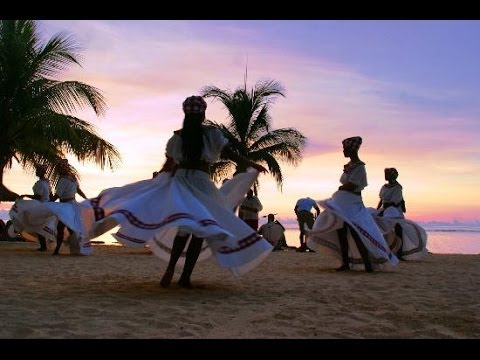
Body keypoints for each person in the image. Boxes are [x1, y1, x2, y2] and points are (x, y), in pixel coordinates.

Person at [83, 95, 272, 288]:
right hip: (201, 183)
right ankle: (185, 277)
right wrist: (250, 164)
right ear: (203, 114)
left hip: (180, 182)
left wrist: (155, 183)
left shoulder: (177, 138)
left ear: (185, 113)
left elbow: (169, 165)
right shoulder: (211, 134)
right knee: (200, 230)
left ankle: (170, 268)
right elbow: (231, 154)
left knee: (184, 229)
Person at [306, 136, 398, 272]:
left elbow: (353, 185)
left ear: (351, 150)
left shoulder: (360, 167)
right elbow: (346, 183)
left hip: (353, 204)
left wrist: (342, 188)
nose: (343, 151)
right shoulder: (350, 166)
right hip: (343, 203)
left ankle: (367, 264)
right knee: (341, 231)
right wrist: (342, 189)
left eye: (345, 149)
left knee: (358, 231)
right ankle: (345, 263)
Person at [371, 168, 428, 261]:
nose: (385, 176)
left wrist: (382, 211)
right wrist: (378, 210)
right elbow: (381, 200)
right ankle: (386, 250)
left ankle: (399, 253)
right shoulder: (384, 187)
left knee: (398, 230)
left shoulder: (397, 187)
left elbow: (395, 202)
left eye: (387, 174)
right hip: (385, 209)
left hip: (393, 210)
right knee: (383, 228)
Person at [17, 164, 53, 251]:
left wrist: (25, 195)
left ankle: (43, 246)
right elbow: (50, 195)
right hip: (47, 205)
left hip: (41, 206)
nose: (36, 172)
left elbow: (38, 197)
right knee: (41, 225)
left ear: (41, 172)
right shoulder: (46, 182)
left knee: (38, 225)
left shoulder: (40, 183)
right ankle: (44, 245)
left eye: (37, 170)